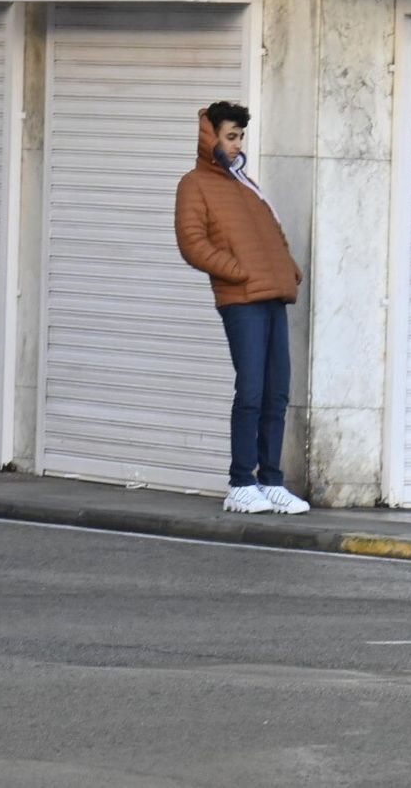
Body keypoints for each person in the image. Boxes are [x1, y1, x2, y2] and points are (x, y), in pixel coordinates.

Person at [175, 101, 310, 515]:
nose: (237, 145)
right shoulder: (195, 184)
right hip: (241, 300)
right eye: (230, 137)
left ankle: (270, 481)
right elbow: (192, 243)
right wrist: (237, 271)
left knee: (277, 391)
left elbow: (274, 233)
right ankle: (240, 482)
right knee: (251, 389)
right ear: (210, 136)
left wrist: (288, 270)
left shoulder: (244, 184)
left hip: (271, 295)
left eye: (240, 138)